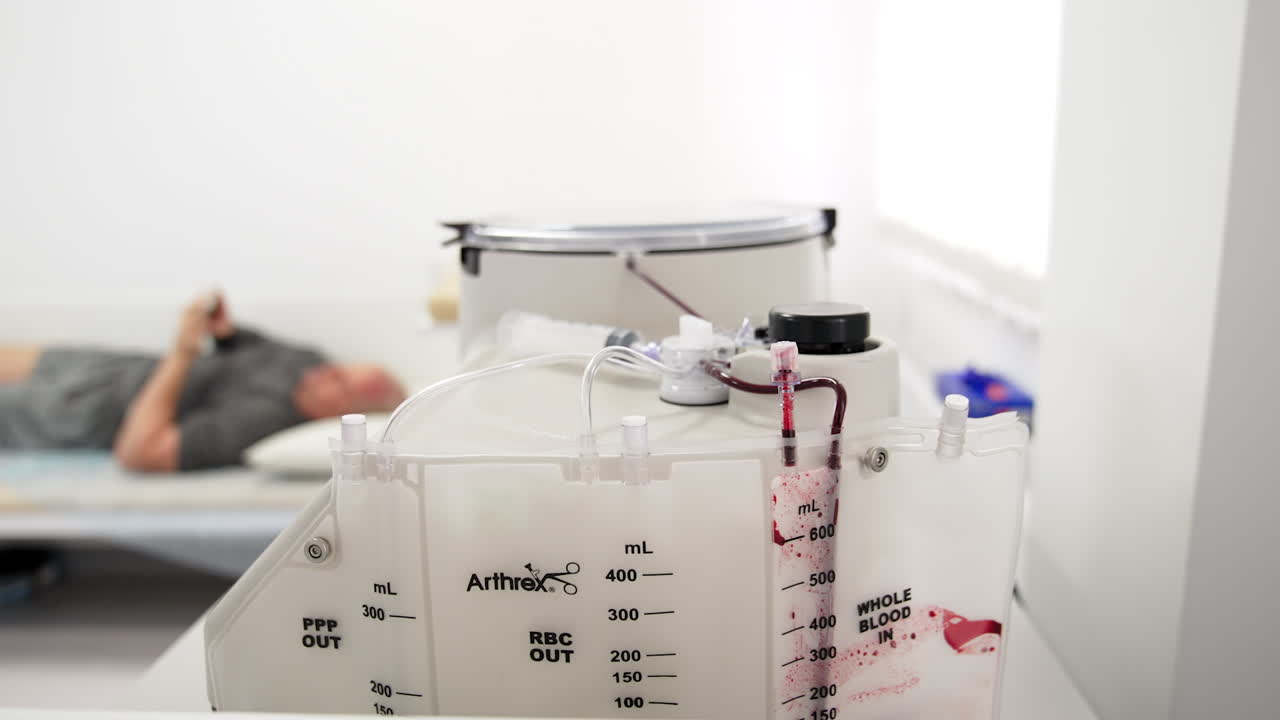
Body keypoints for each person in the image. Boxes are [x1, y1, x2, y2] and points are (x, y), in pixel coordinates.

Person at [0, 292, 406, 472]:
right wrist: (220, 327)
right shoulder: (309, 361)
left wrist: (182, 353)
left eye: (340, 382)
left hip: (88, 410)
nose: (326, 371)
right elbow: (242, 344)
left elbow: (139, 452)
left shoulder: (262, 422)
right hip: (116, 366)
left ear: (341, 418)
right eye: (342, 367)